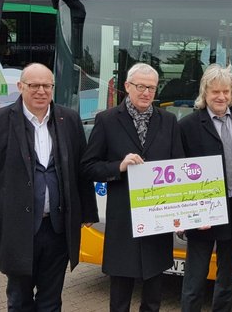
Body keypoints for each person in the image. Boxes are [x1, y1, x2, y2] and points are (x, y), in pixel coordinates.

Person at [0, 62, 98, 311]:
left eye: (47, 85)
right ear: (20, 87)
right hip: (18, 229)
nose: (41, 91)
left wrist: (88, 212)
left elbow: (80, 171)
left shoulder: (68, 119)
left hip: (58, 229)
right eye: (34, 85)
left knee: (51, 300)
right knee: (19, 299)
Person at [81, 63, 185, 312]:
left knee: (153, 296)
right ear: (127, 87)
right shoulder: (106, 120)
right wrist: (118, 166)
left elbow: (179, 168)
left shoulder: (168, 121)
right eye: (140, 86)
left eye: (151, 87)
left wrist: (181, 211)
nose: (146, 92)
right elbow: (88, 167)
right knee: (120, 295)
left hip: (157, 220)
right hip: (123, 220)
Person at [178, 64, 232, 312]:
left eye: (226, 91)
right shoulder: (188, 125)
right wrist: (189, 215)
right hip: (203, 212)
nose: (221, 97)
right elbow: (181, 173)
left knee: (227, 276)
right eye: (215, 92)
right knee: (195, 278)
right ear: (205, 92)